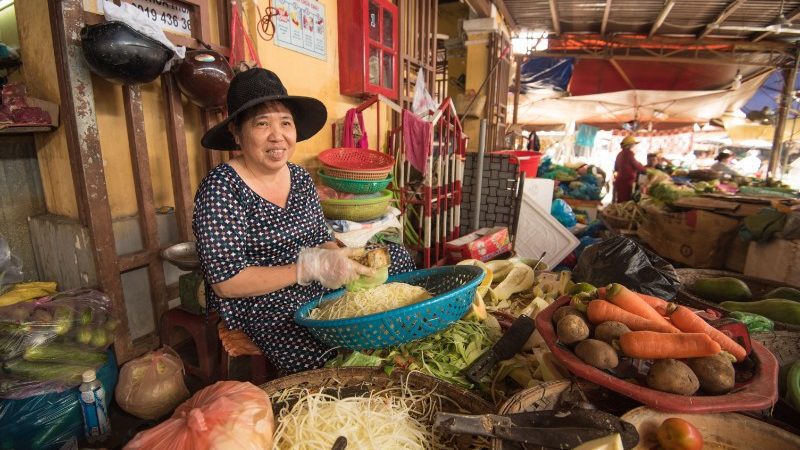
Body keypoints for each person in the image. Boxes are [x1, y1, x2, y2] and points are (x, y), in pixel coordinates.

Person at [193, 68, 415, 375]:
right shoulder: (221, 187)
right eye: (262, 124)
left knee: (397, 257)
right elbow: (227, 283)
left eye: (285, 123)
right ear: (236, 131)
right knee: (310, 339)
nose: (278, 136)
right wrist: (306, 269)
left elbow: (318, 237)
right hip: (262, 298)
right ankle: (337, 383)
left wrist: (337, 256)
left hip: (313, 280)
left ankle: (390, 345)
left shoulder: (298, 177)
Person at [613, 135, 646, 203]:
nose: (635, 146)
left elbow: (616, 168)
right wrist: (646, 170)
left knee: (620, 202)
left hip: (619, 182)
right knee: (624, 203)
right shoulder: (629, 154)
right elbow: (638, 167)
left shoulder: (619, 154)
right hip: (626, 183)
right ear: (630, 145)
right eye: (634, 145)